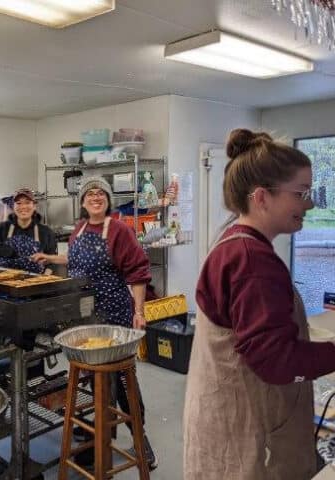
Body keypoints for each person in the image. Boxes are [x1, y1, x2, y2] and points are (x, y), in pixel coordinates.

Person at [183, 129, 335, 479]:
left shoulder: (234, 240)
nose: (308, 204)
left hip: (225, 421)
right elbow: (276, 362)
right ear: (262, 198)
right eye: (300, 193)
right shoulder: (252, 260)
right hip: (247, 437)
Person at [32, 176, 157, 469]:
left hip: (114, 317)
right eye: (90, 194)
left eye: (101, 193)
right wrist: (49, 259)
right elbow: (75, 263)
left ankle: (141, 438)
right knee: (96, 381)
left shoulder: (119, 231)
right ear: (83, 201)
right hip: (86, 318)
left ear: (109, 200)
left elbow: (138, 271)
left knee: (123, 380)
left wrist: (139, 311)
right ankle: (102, 435)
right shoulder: (80, 229)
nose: (96, 197)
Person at [0, 187, 57, 273]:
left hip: (35, 282)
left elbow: (52, 262)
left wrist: (45, 278)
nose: (23, 207)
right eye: (18, 203)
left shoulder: (46, 232)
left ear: (34, 206)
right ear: (13, 206)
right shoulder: (1, 229)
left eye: (27, 202)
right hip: (4, 281)